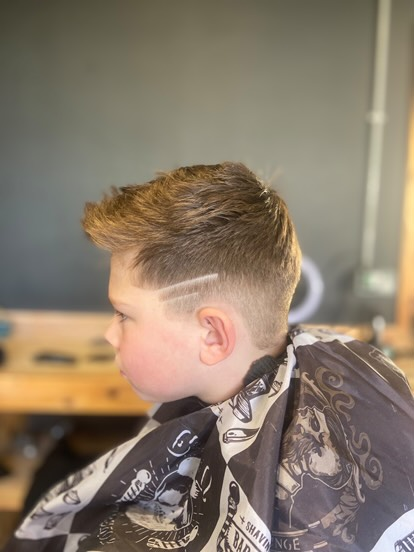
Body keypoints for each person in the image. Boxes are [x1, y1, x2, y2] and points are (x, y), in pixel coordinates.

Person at [4, 162, 414, 552]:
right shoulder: (347, 361)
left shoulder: (310, 514)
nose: (110, 335)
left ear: (213, 335)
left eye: (123, 315)